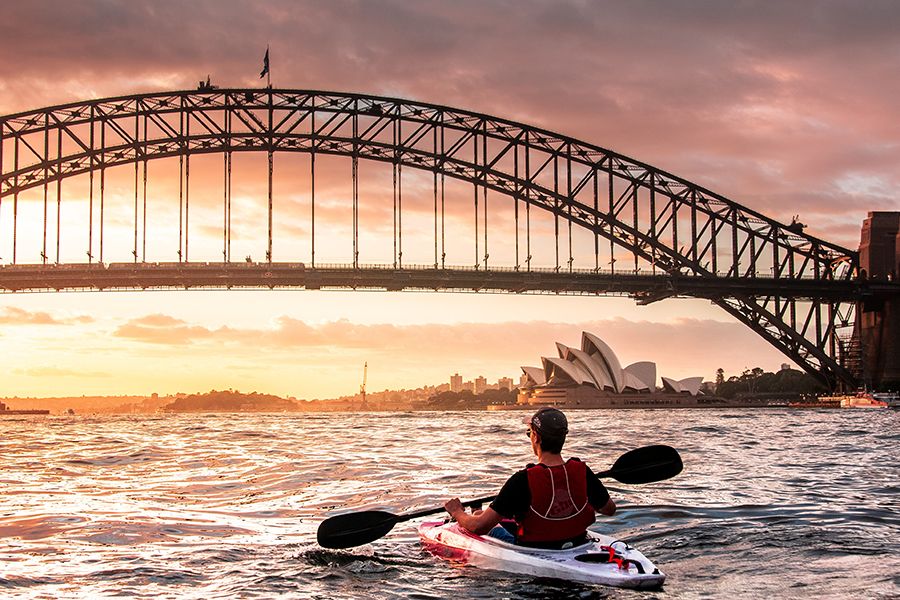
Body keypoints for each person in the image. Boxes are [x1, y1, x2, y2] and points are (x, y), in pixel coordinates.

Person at [444, 406, 616, 549]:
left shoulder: (521, 480)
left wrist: (457, 511)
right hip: (577, 543)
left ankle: (473, 513)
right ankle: (477, 511)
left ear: (536, 437)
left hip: (533, 549)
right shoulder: (583, 471)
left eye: (529, 433)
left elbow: (479, 527)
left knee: (482, 523)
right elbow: (609, 510)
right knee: (485, 515)